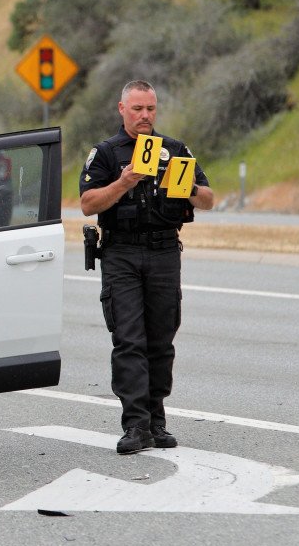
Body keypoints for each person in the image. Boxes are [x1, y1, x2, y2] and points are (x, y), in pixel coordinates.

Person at [80, 80, 214, 454]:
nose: (144, 116)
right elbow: (89, 204)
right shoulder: (106, 153)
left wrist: (183, 183)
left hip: (164, 251)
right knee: (128, 340)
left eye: (150, 109)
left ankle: (157, 421)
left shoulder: (174, 150)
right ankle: (135, 425)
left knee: (160, 340)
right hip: (122, 253)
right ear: (122, 109)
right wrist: (124, 182)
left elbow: (208, 199)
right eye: (137, 108)